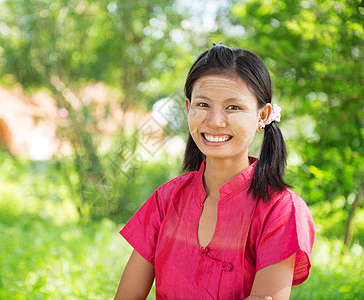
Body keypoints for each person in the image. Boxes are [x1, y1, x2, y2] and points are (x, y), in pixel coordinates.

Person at [115, 43, 315, 300]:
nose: (214, 121)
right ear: (188, 109)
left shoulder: (280, 209)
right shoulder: (166, 200)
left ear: (262, 116)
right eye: (203, 104)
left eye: (233, 107)